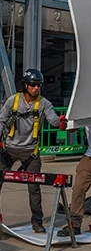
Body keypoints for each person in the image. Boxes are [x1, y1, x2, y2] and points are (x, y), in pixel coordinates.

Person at [0, 69, 66, 233]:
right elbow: (1, 120)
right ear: (25, 86)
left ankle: (37, 222)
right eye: (33, 85)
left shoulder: (44, 103)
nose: (37, 88)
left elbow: (53, 120)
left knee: (34, 188)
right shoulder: (13, 101)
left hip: (30, 152)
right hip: (9, 149)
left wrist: (62, 123)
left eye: (39, 85)